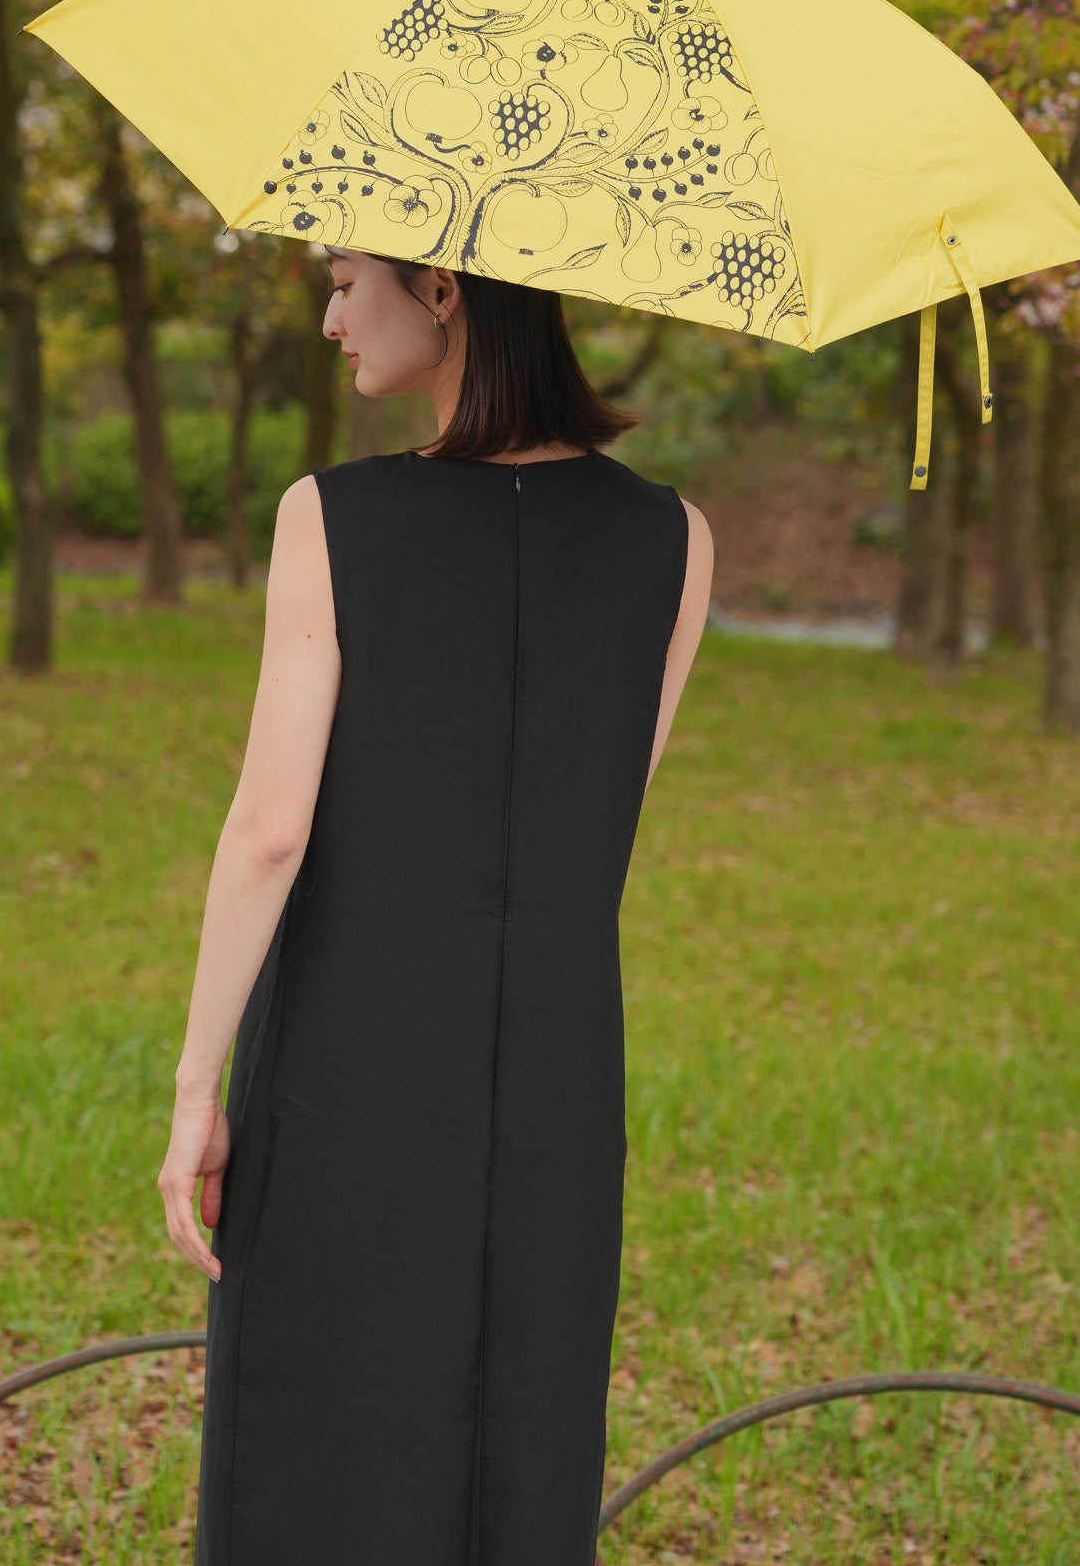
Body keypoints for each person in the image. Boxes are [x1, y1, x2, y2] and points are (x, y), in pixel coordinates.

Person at [160, 243, 713, 1565]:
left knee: (316, 1444)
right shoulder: (677, 539)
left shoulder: (332, 516)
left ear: (444, 290)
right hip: (557, 1070)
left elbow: (270, 831)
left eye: (348, 279)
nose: (332, 317)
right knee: (518, 1441)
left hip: (351, 1053)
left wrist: (194, 1090)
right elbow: (605, 812)